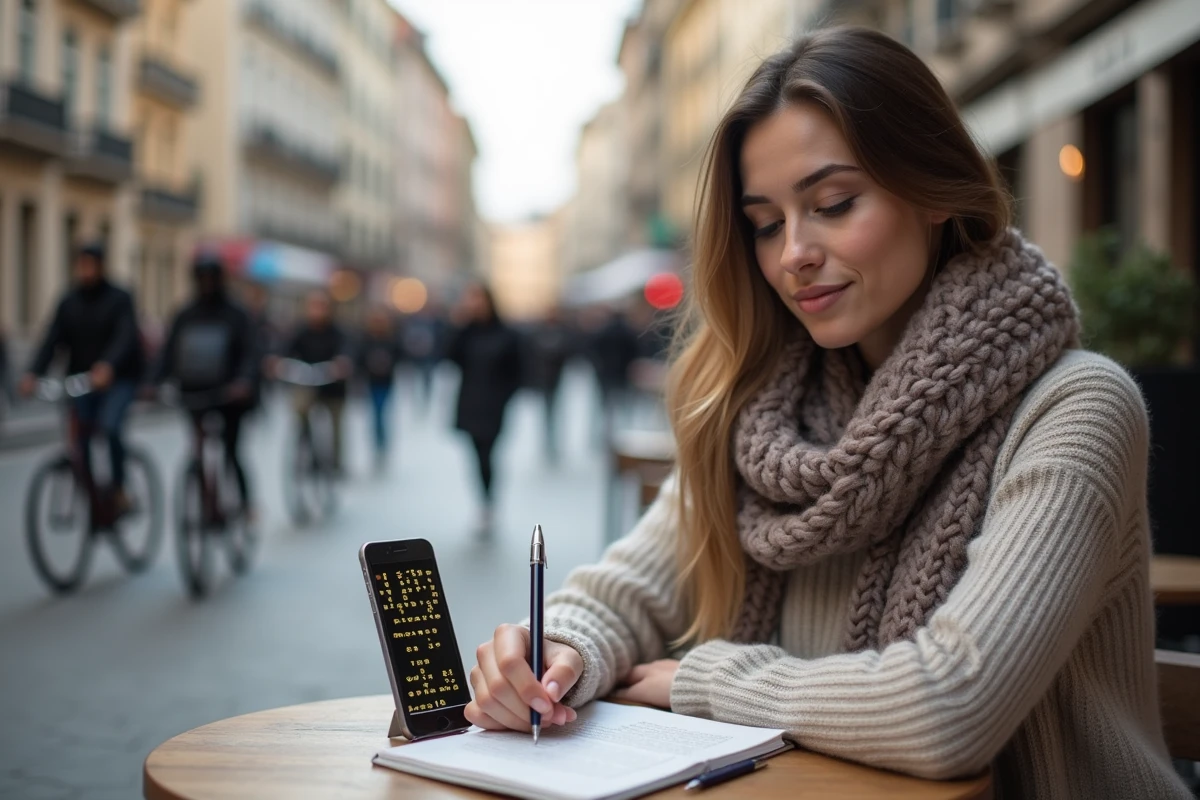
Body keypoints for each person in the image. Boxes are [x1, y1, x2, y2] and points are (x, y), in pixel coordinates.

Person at [465, 27, 1190, 799]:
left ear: (936, 191)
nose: (792, 255)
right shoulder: (764, 414)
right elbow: (628, 592)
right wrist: (560, 651)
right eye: (767, 223)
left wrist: (703, 682)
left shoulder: (1078, 408)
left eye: (834, 204)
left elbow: (948, 705)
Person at [20, 243, 144, 509]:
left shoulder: (119, 298)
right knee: (79, 440)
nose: (85, 270)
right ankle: (91, 496)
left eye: (90, 264)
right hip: (81, 381)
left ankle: (119, 489)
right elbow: (52, 340)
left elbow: (126, 336)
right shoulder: (69, 301)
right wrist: (32, 373)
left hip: (117, 380)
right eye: (81, 264)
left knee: (110, 428)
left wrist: (108, 366)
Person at [153, 254, 258, 516]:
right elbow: (168, 352)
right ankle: (206, 501)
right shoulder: (186, 313)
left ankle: (244, 504)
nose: (207, 283)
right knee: (198, 448)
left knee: (231, 450)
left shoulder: (237, 313)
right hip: (195, 391)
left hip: (230, 396)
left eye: (211, 277)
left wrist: (243, 382)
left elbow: (250, 353)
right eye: (203, 277)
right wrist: (151, 383)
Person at [445, 282, 522, 533]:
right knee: (476, 455)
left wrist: (504, 397)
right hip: (469, 402)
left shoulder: (506, 334)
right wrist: (459, 324)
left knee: (488, 455)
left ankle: (488, 503)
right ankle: (484, 502)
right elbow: (448, 356)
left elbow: (518, 371)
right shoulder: (467, 332)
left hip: (494, 405)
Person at [279, 291, 352, 474]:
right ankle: (305, 442)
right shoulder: (301, 331)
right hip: (308, 381)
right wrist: (278, 363)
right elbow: (286, 350)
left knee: (336, 423)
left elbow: (348, 350)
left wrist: (342, 363)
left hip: (332, 385)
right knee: (300, 409)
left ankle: (335, 462)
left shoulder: (338, 332)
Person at [357, 307, 403, 469]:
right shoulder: (366, 340)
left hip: (385, 382)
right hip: (371, 382)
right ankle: (378, 444)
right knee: (375, 415)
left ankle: (381, 444)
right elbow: (359, 359)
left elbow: (400, 356)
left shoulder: (391, 340)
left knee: (381, 413)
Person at [526, 307, 575, 462]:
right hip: (543, 379)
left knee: (554, 411)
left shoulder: (562, 332)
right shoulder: (539, 333)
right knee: (546, 411)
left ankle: (552, 443)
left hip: (555, 379)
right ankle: (547, 443)